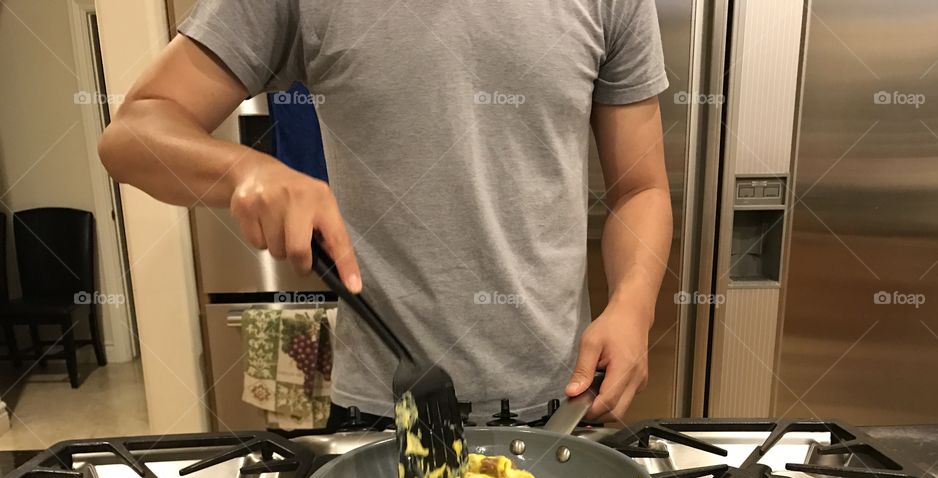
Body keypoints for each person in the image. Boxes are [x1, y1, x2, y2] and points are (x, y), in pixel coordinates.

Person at [99, 0, 673, 425]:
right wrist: (245, 170)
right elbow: (133, 132)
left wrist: (633, 307)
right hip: (380, 417)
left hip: (564, 407)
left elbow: (639, 189)